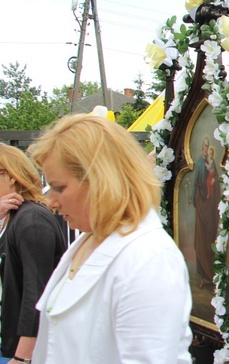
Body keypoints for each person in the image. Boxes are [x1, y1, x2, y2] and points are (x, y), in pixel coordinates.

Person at [27, 114, 192, 362]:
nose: (51, 202)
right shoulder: (90, 239)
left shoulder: (147, 258)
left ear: (100, 180)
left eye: (59, 188)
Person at [0, 144, 66, 362]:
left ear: (10, 176)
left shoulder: (31, 220)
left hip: (20, 352)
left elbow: (36, 291)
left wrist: (22, 357)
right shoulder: (13, 217)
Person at [191, 135, 220, 288]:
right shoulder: (200, 163)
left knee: (211, 240)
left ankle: (213, 275)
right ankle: (203, 274)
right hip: (202, 206)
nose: (205, 149)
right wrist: (192, 197)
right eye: (204, 147)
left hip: (211, 207)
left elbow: (216, 181)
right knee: (201, 239)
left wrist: (214, 183)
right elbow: (196, 182)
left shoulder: (212, 163)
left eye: (207, 147)